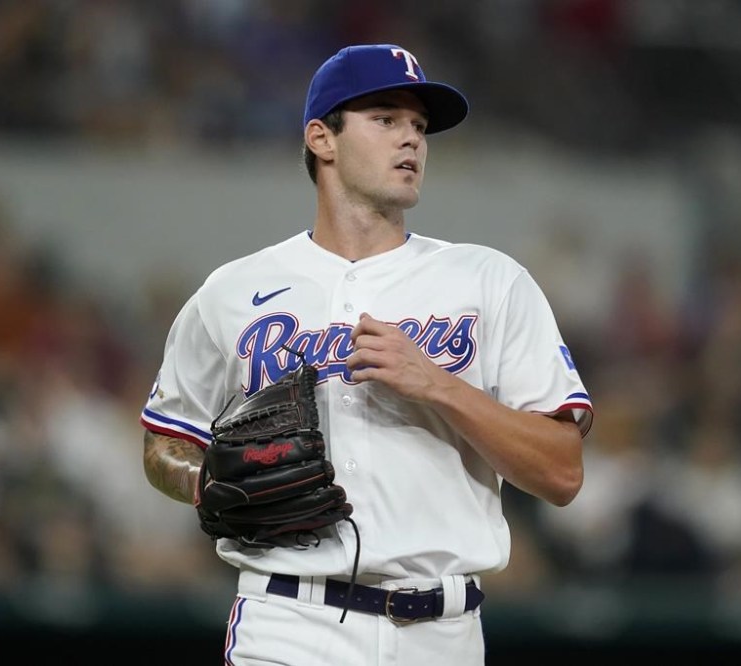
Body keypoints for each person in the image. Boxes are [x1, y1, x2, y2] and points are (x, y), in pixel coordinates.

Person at [140, 43, 594, 666]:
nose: (410, 139)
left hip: (444, 630)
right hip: (288, 621)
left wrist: (439, 385)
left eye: (419, 126)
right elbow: (165, 443)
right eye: (385, 119)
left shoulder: (490, 281)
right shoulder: (233, 292)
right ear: (321, 138)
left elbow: (563, 473)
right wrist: (201, 480)